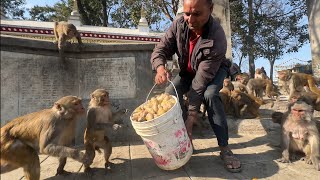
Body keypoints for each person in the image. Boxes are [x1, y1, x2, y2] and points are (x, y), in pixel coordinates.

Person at [150, 0, 241, 173]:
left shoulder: (217, 36)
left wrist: (192, 115)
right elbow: (160, 50)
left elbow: (200, 81)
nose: (190, 20)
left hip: (214, 70)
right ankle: (182, 141)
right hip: (188, 69)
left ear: (210, 9)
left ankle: (224, 148)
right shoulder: (179, 24)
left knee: (210, 95)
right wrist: (160, 67)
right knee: (170, 94)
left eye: (197, 14)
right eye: (187, 14)